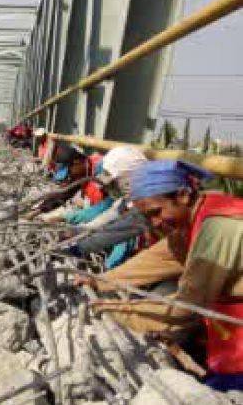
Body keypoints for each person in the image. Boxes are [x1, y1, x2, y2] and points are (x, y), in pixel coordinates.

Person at [90, 160, 243, 388]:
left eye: (156, 213)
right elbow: (163, 256)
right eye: (148, 217)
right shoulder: (200, 211)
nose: (155, 223)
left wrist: (113, 311)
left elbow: (186, 306)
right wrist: (100, 282)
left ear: (182, 195)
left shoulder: (218, 228)